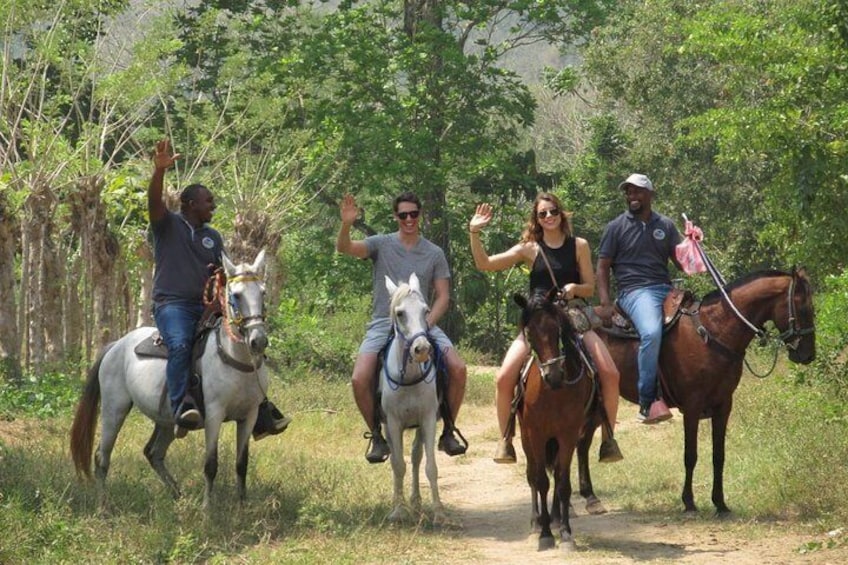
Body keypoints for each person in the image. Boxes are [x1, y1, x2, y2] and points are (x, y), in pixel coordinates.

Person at [148, 139, 291, 439]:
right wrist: (159, 172)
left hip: (207, 306)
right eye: (208, 201)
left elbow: (221, 275)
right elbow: (154, 204)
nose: (213, 205)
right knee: (181, 345)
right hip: (172, 304)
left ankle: (260, 407)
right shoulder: (167, 225)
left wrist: (222, 303)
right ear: (190, 204)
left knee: (246, 341)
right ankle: (181, 406)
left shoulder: (213, 236)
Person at [469, 193, 624, 464]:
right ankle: (505, 439)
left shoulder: (579, 245)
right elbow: (485, 264)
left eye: (553, 211)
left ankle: (608, 438)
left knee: (610, 372)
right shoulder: (529, 248)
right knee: (504, 377)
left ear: (561, 214)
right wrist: (474, 232)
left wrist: (575, 288)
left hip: (573, 315)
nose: (549, 217)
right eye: (543, 214)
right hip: (540, 320)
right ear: (536, 220)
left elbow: (590, 287)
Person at [336, 192, 468, 463]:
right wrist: (347, 224)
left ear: (420, 215)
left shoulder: (434, 252)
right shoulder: (381, 244)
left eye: (414, 214)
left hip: (421, 322)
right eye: (403, 215)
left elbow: (443, 296)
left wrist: (426, 324)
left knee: (458, 368)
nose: (409, 219)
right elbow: (345, 248)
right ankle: (376, 434)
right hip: (384, 322)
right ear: (395, 217)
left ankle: (448, 429)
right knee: (360, 378)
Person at [596, 173, 682, 424]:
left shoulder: (665, 225)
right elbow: (602, 267)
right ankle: (648, 401)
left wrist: (693, 244)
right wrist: (605, 302)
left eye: (637, 191)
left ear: (650, 194)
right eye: (628, 192)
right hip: (635, 291)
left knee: (699, 325)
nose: (632, 196)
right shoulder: (616, 227)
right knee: (651, 333)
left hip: (666, 289)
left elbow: (683, 264)